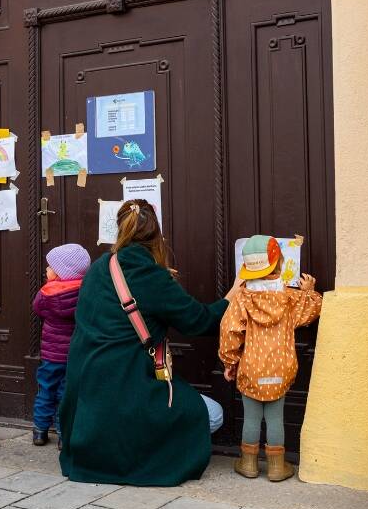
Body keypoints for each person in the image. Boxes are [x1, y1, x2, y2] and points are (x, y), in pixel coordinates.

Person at [58, 199, 239, 486]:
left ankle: (106, 449)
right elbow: (199, 321)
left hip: (85, 403)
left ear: (120, 231)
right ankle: (139, 453)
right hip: (129, 391)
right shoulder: (152, 276)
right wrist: (231, 297)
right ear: (158, 235)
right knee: (213, 415)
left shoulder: (98, 269)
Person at [219, 235, 323, 482]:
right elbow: (310, 312)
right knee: (276, 417)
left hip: (251, 367)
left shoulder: (242, 298)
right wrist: (309, 292)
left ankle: (248, 463)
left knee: (252, 417)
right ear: (279, 264)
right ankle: (277, 467)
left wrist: (229, 362)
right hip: (282, 365)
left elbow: (229, 331)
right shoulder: (289, 296)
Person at [31, 243, 89, 447]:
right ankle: (64, 436)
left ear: (59, 272)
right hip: (73, 355)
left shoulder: (47, 293)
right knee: (66, 394)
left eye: (49, 267)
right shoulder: (85, 291)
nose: (46, 270)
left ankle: (40, 431)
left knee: (46, 390)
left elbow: (37, 309)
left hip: (50, 355)